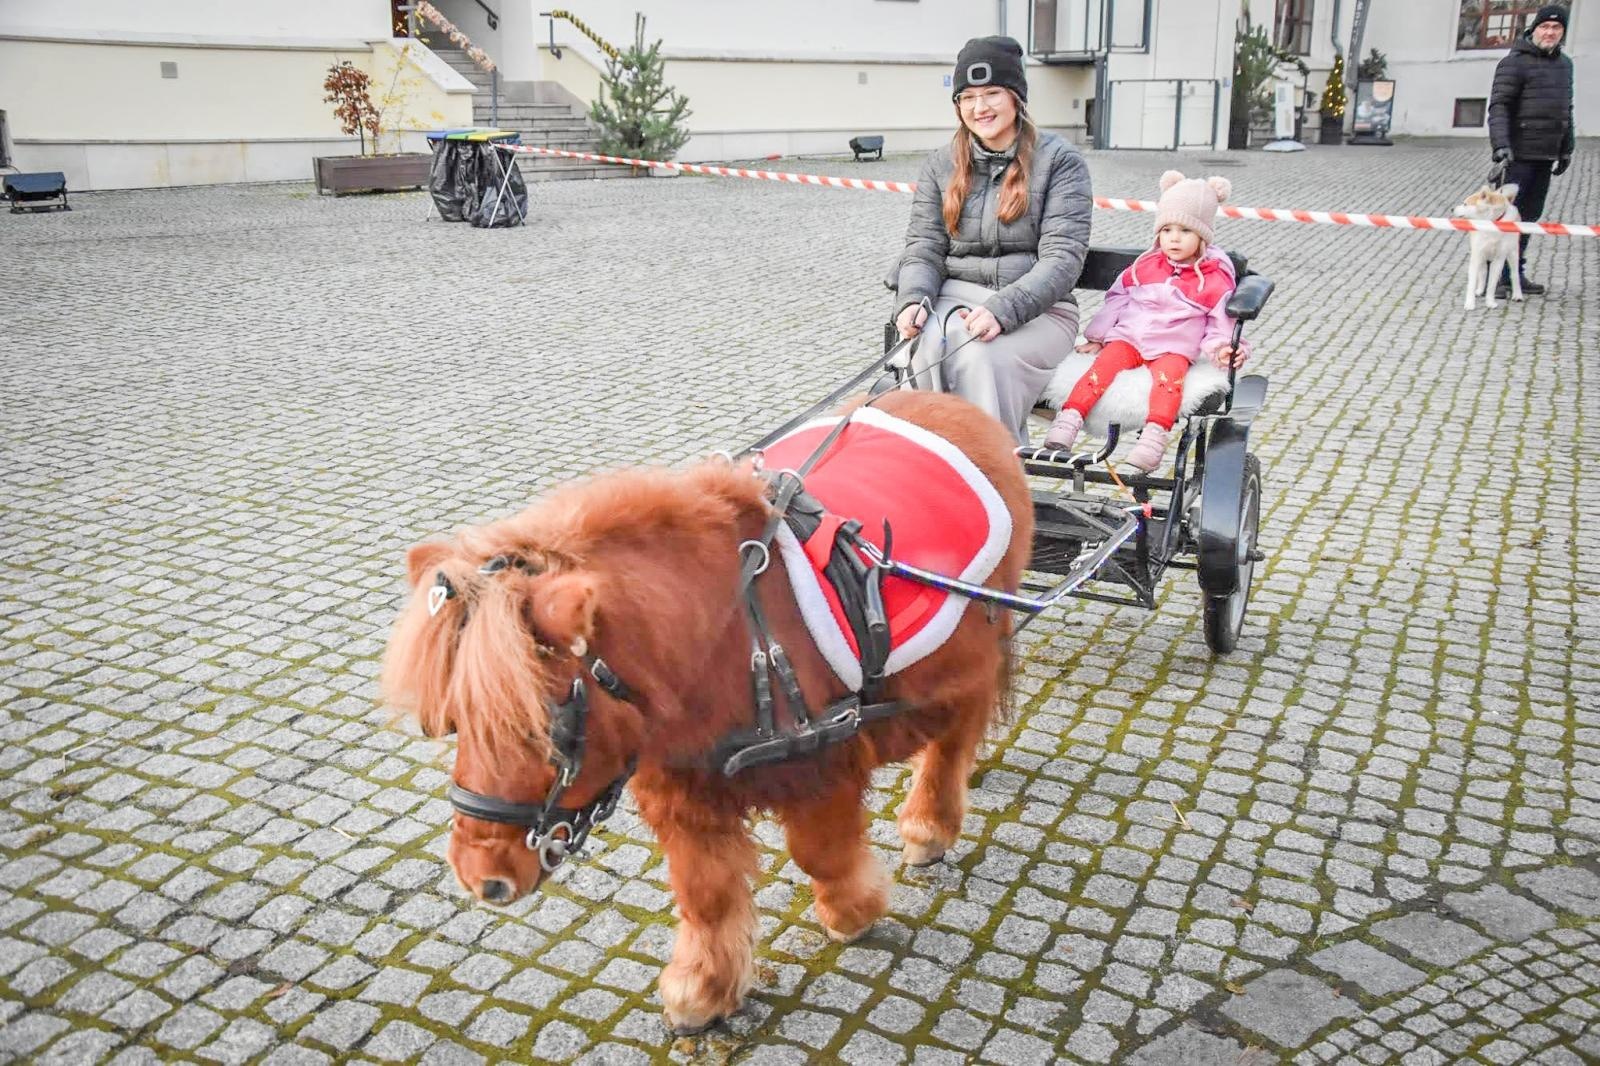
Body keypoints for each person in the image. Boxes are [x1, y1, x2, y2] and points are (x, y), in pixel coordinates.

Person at [892, 36, 1092, 445]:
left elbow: (1063, 259)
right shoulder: (940, 165)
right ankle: (934, 469)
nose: (979, 108)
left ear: (1017, 97)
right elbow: (923, 247)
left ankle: (997, 478)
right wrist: (913, 300)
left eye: (992, 94)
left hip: (1038, 311)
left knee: (981, 357)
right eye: (967, 97)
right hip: (952, 299)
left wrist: (1003, 310)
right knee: (926, 347)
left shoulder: (1060, 162)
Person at [1042, 172, 1248, 472]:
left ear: (1203, 236)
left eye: (1185, 231)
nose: (1174, 238)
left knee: (1168, 383)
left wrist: (1222, 348)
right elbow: (1117, 300)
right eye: (1167, 230)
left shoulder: (1213, 278)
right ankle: (1068, 420)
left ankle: (1153, 439)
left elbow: (1220, 322)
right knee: (1101, 369)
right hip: (1129, 338)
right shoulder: (1145, 266)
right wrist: (1098, 336)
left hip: (1174, 347)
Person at [1488, 3, 1575, 298]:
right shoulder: (1514, 63)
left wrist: (1566, 148)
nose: (1549, 32)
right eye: (1545, 27)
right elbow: (1499, 106)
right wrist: (1501, 145)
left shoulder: (1565, 65)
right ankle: (1495, 276)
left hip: (1545, 154)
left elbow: (1566, 109)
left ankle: (1515, 272)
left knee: (1529, 217)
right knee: (1505, 216)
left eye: (1556, 28)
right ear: (1534, 29)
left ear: (1562, 33)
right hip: (1518, 153)